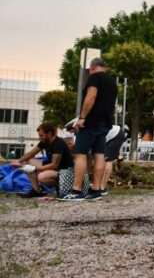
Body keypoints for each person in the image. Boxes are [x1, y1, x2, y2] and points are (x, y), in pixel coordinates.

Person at [58, 57, 118, 201]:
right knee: (99, 154)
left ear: (91, 68)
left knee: (80, 154)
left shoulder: (94, 78)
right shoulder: (112, 82)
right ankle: (96, 190)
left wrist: (83, 117)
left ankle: (76, 191)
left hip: (91, 122)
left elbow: (91, 96)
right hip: (105, 122)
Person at [11, 123, 74, 198]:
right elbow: (31, 154)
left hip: (65, 170)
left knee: (41, 177)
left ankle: (60, 187)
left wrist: (35, 169)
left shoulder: (58, 144)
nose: (40, 138)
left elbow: (54, 165)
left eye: (41, 135)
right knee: (26, 162)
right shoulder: (44, 141)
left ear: (49, 133)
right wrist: (18, 161)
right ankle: (37, 191)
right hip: (54, 168)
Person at [101, 124, 127, 194]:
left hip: (115, 134)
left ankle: (102, 188)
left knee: (108, 160)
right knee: (104, 160)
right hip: (116, 133)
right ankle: (100, 186)